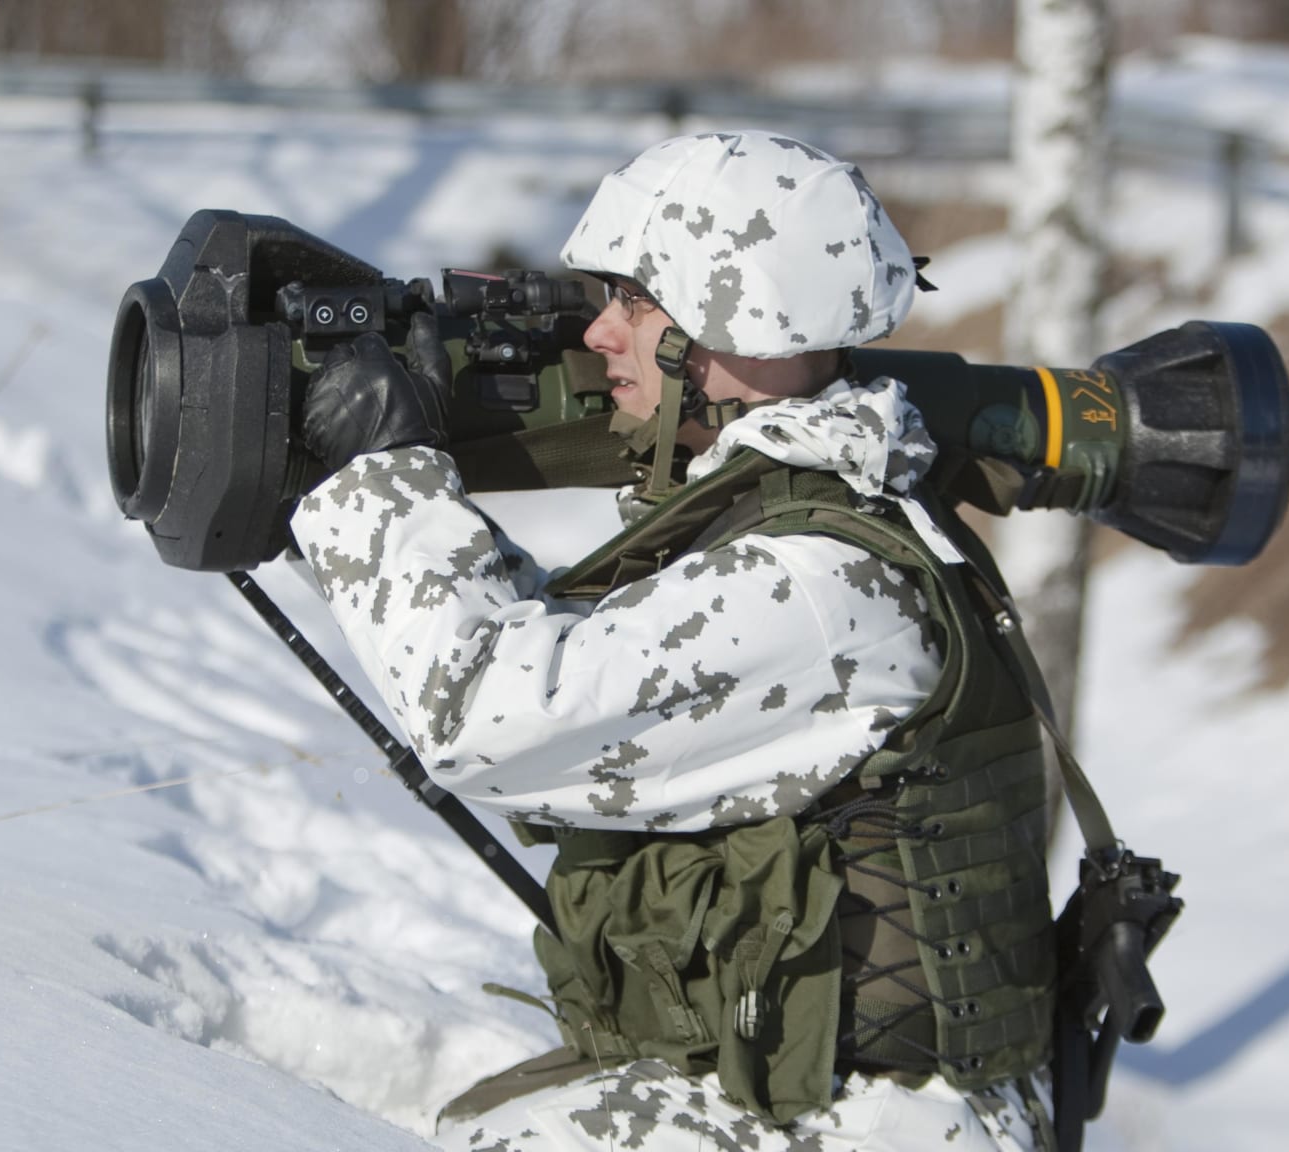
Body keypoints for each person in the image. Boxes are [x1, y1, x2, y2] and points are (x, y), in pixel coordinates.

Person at [290, 131, 1058, 1152]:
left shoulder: (810, 583)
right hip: (831, 1089)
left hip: (874, 1118)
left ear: (744, 326)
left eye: (636, 302)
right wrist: (357, 516)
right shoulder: (808, 503)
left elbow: (489, 719)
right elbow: (572, 650)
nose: (599, 333)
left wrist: (384, 479)